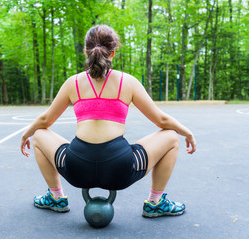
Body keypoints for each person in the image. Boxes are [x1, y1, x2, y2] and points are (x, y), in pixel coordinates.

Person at [20, 25, 196, 218]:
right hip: (120, 168)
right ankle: (155, 202)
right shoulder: (127, 81)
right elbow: (162, 120)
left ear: (85, 52)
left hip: (76, 167)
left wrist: (26, 134)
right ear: (113, 53)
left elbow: (45, 120)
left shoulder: (74, 83)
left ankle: (56, 197)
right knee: (171, 136)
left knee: (38, 134)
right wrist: (186, 132)